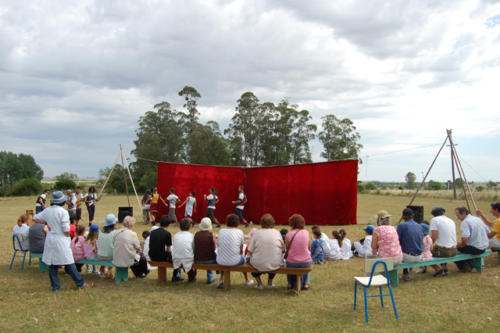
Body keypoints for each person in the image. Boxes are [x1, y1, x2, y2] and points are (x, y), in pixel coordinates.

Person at [33, 191, 92, 291]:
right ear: (63, 201)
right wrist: (68, 235)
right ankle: (80, 283)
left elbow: (35, 217)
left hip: (51, 239)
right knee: (69, 262)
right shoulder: (63, 212)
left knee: (52, 265)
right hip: (61, 240)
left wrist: (47, 224)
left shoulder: (48, 211)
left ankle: (55, 287)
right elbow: (66, 229)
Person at [247, 214, 285, 289]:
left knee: (249, 260)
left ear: (261, 223)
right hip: (275, 262)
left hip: (258, 262)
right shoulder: (277, 232)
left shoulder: (256, 233)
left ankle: (259, 284)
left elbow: (250, 251)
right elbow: (282, 249)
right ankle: (269, 283)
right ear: (273, 222)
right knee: (274, 261)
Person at [216, 214, 247, 289]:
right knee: (243, 259)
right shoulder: (239, 232)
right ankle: (247, 280)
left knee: (225, 255)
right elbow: (241, 248)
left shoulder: (221, 231)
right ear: (237, 222)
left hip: (220, 260)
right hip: (234, 260)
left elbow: (219, 245)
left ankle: (221, 279)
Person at [454, 206, 489, 272]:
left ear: (464, 213)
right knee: (462, 248)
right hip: (484, 247)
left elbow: (465, 239)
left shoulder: (465, 222)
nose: (457, 217)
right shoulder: (478, 219)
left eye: (458, 215)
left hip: (475, 248)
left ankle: (464, 266)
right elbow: (488, 231)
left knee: (452, 249)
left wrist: (460, 245)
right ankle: (469, 263)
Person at [148, 215, 182, 281]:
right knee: (177, 258)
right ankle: (176, 276)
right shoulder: (167, 234)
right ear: (168, 224)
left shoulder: (153, 232)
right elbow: (169, 249)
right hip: (161, 257)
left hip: (152, 256)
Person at [285, 214, 312, 291]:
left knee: (288, 263)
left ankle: (290, 283)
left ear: (291, 223)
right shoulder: (306, 233)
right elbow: (309, 247)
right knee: (307, 261)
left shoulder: (288, 234)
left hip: (292, 262)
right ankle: (306, 283)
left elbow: (287, 247)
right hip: (305, 262)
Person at [428, 206, 457, 277]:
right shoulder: (450, 220)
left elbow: (434, 237)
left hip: (444, 251)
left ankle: (437, 269)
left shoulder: (435, 220)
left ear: (434, 214)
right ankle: (444, 268)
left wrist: (428, 246)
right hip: (454, 250)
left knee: (425, 253)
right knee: (440, 246)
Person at [397, 208, 424, 281]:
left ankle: (405, 274)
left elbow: (397, 241)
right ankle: (405, 273)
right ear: (413, 216)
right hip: (420, 256)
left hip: (408, 257)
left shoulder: (401, 226)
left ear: (403, 217)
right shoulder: (419, 226)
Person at [113, 216, 142, 281]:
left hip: (116, 257)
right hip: (127, 258)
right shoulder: (132, 234)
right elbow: (138, 248)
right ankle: (141, 273)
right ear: (132, 225)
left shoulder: (116, 232)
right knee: (141, 257)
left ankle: (119, 278)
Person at [194, 217, 217, 284]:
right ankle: (210, 277)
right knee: (210, 255)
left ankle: (210, 277)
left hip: (197, 260)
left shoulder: (196, 234)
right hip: (210, 260)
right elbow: (215, 249)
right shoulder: (212, 235)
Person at [173, 218, 196, 282]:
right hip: (188, 257)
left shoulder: (176, 235)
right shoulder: (191, 236)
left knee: (180, 257)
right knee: (188, 258)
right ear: (189, 227)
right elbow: (193, 248)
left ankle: (176, 275)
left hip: (176, 257)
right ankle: (191, 276)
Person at [97, 214, 118, 278]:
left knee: (105, 248)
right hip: (110, 256)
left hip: (100, 255)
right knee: (112, 250)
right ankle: (109, 270)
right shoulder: (115, 233)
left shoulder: (100, 231)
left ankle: (102, 269)